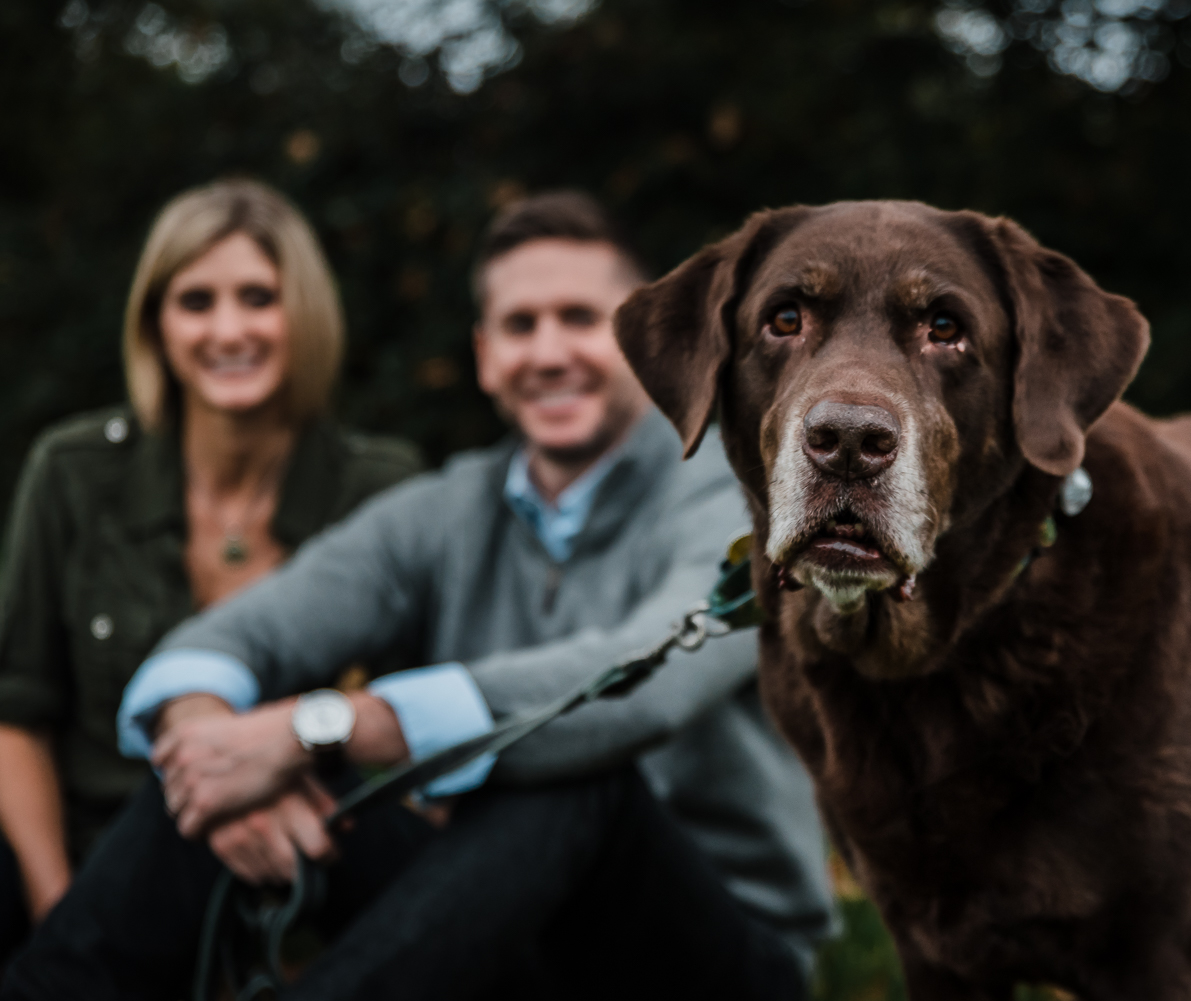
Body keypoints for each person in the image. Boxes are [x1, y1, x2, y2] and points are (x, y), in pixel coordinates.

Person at [1, 191, 834, 1001]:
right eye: (519, 325)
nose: (547, 352)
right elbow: (232, 636)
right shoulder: (444, 508)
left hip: (706, 946)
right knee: (213, 768)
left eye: (580, 319)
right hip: (501, 923)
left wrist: (323, 726)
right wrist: (206, 739)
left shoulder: (741, 487)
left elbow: (640, 683)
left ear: (650, 342)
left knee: (576, 768)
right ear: (483, 354)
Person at [0, 180, 423, 964]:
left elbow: (412, 719)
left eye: (258, 296)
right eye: (196, 301)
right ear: (157, 324)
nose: (228, 329)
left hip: (300, 842)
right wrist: (61, 913)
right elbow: (17, 714)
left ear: (303, 313)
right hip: (92, 848)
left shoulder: (380, 485)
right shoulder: (73, 469)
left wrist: (251, 771)